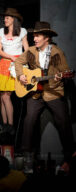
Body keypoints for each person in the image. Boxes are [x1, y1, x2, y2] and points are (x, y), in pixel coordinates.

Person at [15, 21, 76, 170]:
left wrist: (60, 77)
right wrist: (21, 75)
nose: (34, 38)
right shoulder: (30, 51)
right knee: (29, 121)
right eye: (34, 35)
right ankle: (28, 157)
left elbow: (66, 71)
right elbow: (18, 62)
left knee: (63, 121)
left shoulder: (56, 52)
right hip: (35, 93)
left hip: (53, 91)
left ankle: (70, 158)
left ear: (46, 37)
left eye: (38, 36)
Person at [0, 8, 29, 135]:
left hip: (16, 64)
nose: (5, 20)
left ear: (14, 19)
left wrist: (19, 60)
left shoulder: (22, 32)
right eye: (4, 18)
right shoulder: (1, 31)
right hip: (4, 63)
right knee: (2, 96)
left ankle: (10, 125)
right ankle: (6, 125)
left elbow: (26, 49)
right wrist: (9, 56)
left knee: (7, 95)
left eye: (7, 18)